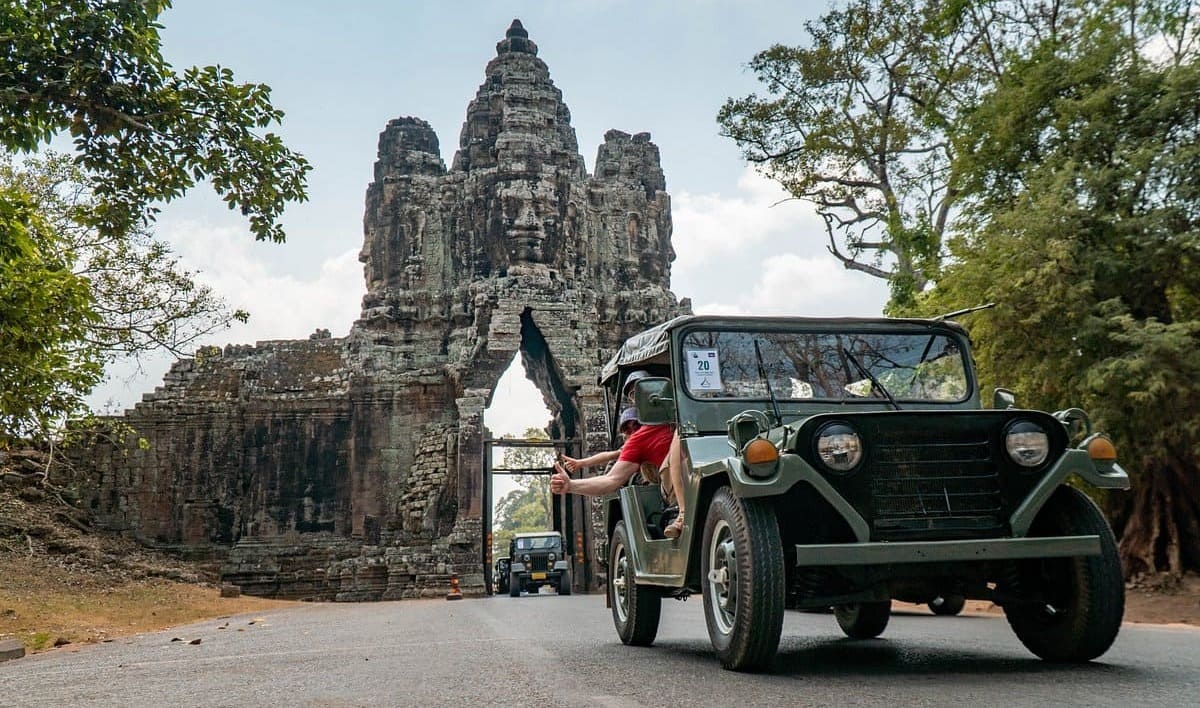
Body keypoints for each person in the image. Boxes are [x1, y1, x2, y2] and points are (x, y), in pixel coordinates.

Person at [551, 372, 688, 539]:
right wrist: (571, 485)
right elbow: (612, 479)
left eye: (643, 388)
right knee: (682, 430)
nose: (641, 397)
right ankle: (683, 512)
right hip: (675, 484)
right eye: (633, 395)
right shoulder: (639, 439)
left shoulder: (684, 408)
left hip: (702, 463)